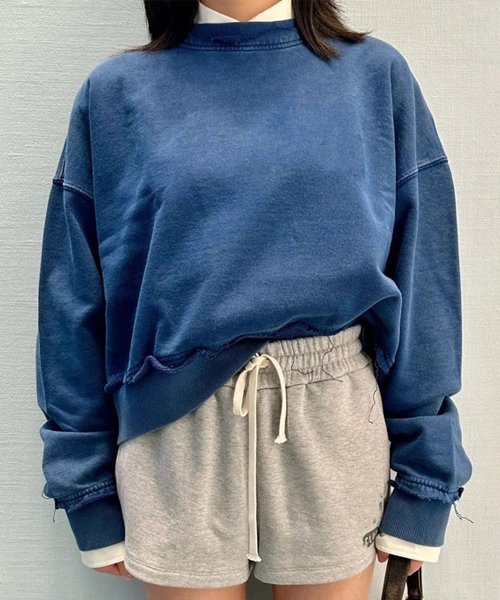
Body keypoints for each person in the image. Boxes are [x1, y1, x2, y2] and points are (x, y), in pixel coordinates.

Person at [35, 1, 473, 598]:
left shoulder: (375, 77)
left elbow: (425, 285)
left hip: (333, 421)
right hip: (172, 431)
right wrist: (85, 488)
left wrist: (425, 484)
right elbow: (73, 302)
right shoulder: (116, 94)